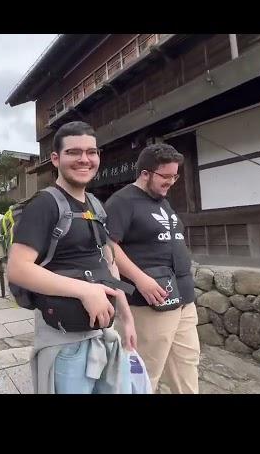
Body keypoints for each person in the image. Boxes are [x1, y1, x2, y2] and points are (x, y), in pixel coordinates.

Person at [7, 121, 137, 394]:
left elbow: (107, 262)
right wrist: (85, 291)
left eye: (91, 152)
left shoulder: (96, 204)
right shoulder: (44, 204)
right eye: (74, 152)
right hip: (65, 341)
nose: (84, 159)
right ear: (55, 158)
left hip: (104, 334)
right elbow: (18, 269)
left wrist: (127, 317)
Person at [105, 143, 200, 394]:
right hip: (150, 301)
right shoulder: (122, 201)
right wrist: (140, 279)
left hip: (184, 298)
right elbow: (108, 246)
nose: (171, 182)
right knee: (146, 371)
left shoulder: (163, 201)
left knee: (187, 364)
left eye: (175, 176)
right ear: (145, 173)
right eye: (165, 176)